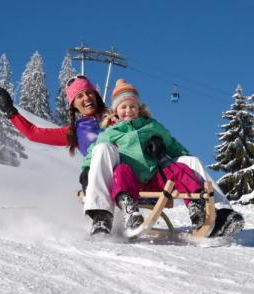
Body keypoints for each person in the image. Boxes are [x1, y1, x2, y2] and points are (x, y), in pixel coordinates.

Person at [0, 77, 244, 237]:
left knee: (190, 161)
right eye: (79, 96)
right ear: (73, 105)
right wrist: (11, 112)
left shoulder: (124, 113)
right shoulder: (75, 131)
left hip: (147, 173)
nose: (86, 98)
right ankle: (101, 216)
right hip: (112, 179)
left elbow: (148, 123)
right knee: (104, 149)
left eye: (88, 93)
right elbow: (34, 133)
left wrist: (156, 140)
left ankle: (220, 214)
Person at [84, 79, 208, 232]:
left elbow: (173, 145)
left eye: (132, 106)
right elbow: (96, 150)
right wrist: (86, 169)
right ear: (115, 110)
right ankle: (129, 209)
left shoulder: (152, 126)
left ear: (139, 108)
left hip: (155, 177)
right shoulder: (112, 132)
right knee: (121, 170)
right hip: (130, 181)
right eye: (123, 107)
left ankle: (196, 206)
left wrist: (167, 147)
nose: (128, 110)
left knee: (180, 168)